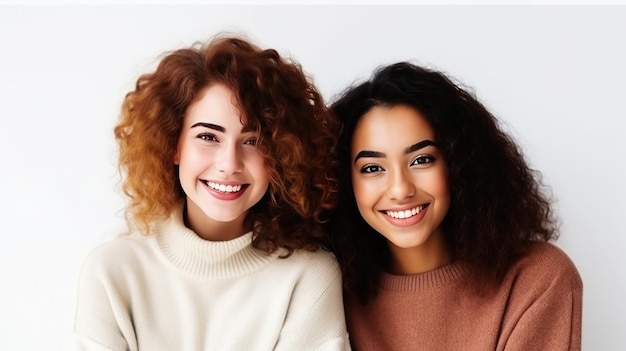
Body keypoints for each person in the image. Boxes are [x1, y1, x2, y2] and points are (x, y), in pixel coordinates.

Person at [65, 35, 350, 350]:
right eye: (208, 137)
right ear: (173, 145)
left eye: (252, 141)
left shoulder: (308, 277)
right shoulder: (113, 272)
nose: (229, 164)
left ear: (281, 155)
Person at [327, 62, 582, 350]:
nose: (400, 189)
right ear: (343, 181)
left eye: (421, 160)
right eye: (373, 168)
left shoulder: (535, 279)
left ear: (460, 165)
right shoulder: (327, 290)